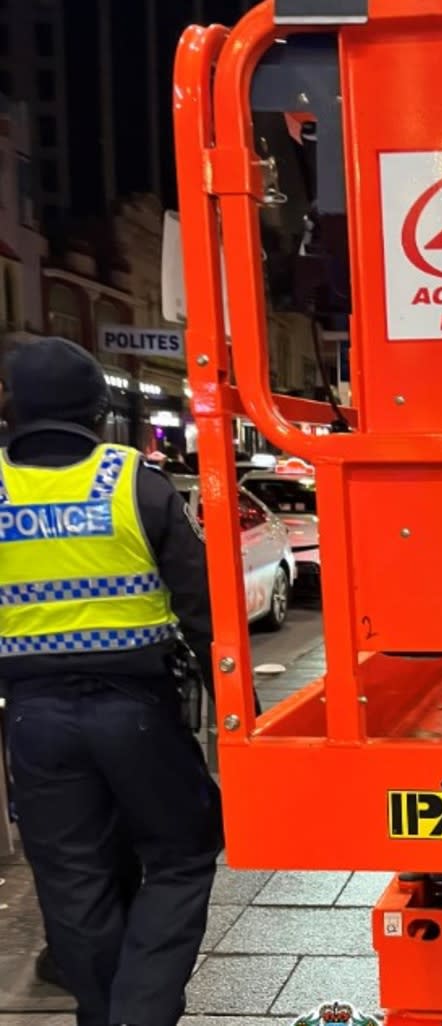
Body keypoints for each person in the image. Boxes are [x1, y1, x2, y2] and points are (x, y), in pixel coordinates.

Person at [1, 338, 222, 1026]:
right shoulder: (134, 482)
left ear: (12, 406)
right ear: (100, 409)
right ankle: (142, 1011)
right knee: (183, 853)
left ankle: (106, 1017)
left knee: (73, 881)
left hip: (34, 720)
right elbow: (202, 607)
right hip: (138, 712)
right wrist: (236, 709)